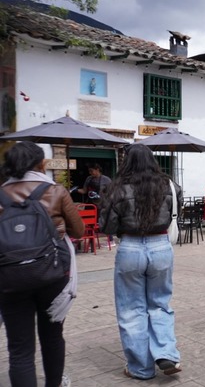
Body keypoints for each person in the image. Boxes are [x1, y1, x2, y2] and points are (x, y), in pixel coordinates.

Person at [0, 142, 84, 387]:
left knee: (20, 348)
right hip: (52, 273)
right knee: (52, 336)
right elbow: (78, 231)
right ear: (40, 164)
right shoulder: (56, 191)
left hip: (9, 278)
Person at [99, 144, 183, 379]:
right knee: (160, 304)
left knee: (131, 309)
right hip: (161, 246)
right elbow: (176, 213)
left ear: (126, 161)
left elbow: (107, 226)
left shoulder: (117, 188)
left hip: (130, 247)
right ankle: (166, 353)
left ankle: (141, 368)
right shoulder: (169, 185)